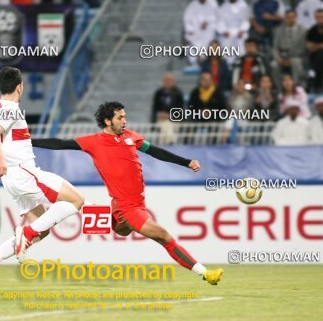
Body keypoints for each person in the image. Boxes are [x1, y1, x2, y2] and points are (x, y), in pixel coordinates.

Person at [31, 102, 224, 285]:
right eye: (120, 117)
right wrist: (29, 141)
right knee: (164, 236)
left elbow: (156, 151)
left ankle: (90, 210)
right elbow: (60, 143)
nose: (125, 121)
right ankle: (205, 273)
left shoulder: (132, 137)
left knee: (121, 230)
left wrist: (186, 162)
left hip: (134, 204)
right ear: (108, 121)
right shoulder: (93, 142)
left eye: (125, 117)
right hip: (127, 207)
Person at [0, 67, 85, 291]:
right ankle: (25, 234)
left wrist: (2, 158)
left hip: (12, 179)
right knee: (76, 200)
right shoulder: (10, 109)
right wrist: (1, 160)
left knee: (41, 229)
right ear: (20, 87)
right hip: (24, 173)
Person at [271, 10, 307, 87]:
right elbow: (275, 48)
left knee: (296, 62)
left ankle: (297, 87)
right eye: (288, 17)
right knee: (274, 65)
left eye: (292, 17)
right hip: (282, 56)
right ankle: (279, 89)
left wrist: (291, 58)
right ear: (285, 18)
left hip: (296, 56)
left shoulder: (303, 31)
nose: (290, 19)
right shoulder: (278, 30)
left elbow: (304, 48)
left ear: (296, 18)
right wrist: (278, 58)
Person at [216, 0, 250, 65]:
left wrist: (242, 30)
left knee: (242, 41)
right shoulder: (222, 8)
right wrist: (223, 31)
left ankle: (242, 63)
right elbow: (220, 22)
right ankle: (228, 64)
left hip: (240, 31)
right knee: (225, 42)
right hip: (227, 32)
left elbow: (246, 21)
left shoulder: (243, 6)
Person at [183, 0, 218, 64]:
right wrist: (190, 30)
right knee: (191, 42)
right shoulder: (192, 6)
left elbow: (217, 18)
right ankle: (193, 62)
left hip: (208, 33)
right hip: (195, 33)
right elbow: (187, 20)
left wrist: (207, 23)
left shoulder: (212, 5)